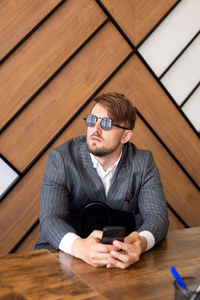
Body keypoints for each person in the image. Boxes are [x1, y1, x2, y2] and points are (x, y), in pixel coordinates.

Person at [35, 92, 168, 269]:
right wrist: (79, 247)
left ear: (125, 137)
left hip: (117, 260)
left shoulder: (143, 163)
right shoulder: (61, 159)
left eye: (106, 124)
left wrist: (140, 244)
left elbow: (158, 217)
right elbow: (50, 218)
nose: (95, 129)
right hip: (62, 257)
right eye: (92, 120)